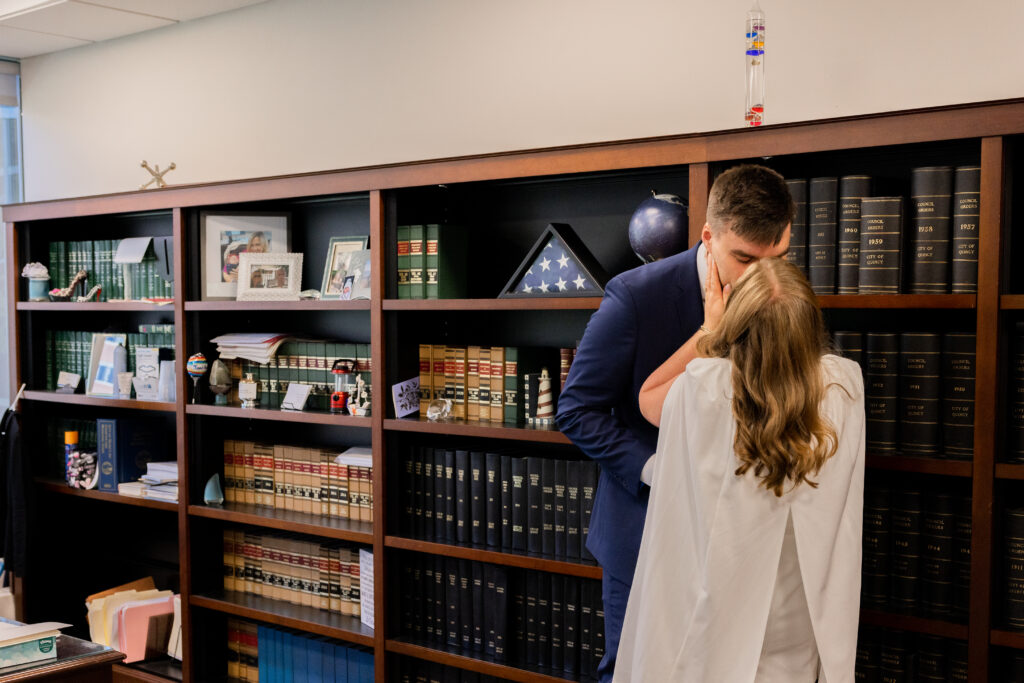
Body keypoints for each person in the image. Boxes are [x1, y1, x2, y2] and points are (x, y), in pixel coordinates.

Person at [556, 164, 793, 682]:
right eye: (744, 259)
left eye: (775, 259)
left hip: (738, 535)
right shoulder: (637, 295)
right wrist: (660, 469)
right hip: (643, 530)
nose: (760, 278)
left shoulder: (783, 296)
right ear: (709, 235)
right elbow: (576, 410)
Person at [614, 258, 864, 682]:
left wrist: (710, 329)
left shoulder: (705, 389)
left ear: (738, 327)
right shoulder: (843, 388)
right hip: (801, 620)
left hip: (719, 622)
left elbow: (648, 398)